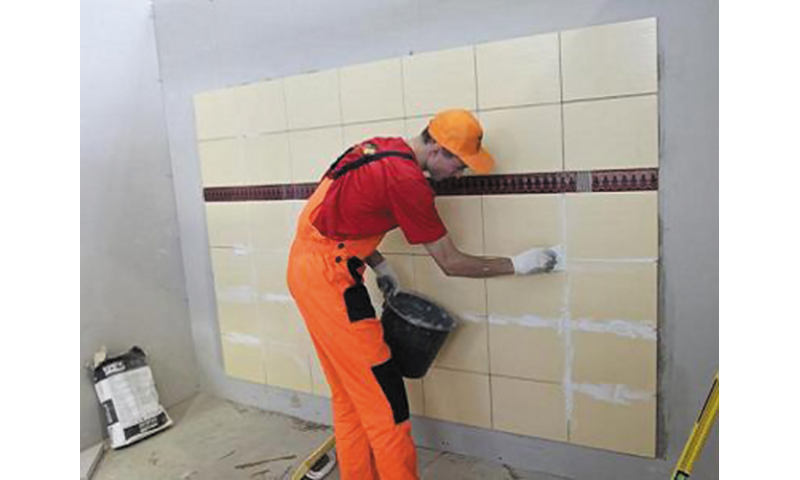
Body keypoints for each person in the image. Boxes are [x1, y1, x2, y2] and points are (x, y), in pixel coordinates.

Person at [287, 109, 557, 480]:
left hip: (306, 270)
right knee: (387, 406)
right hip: (332, 283)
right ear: (438, 150)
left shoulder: (377, 147)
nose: (459, 175)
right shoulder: (407, 181)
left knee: (352, 397)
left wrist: (379, 264)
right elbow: (451, 262)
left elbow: (331, 212)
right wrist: (518, 264)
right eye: (460, 165)